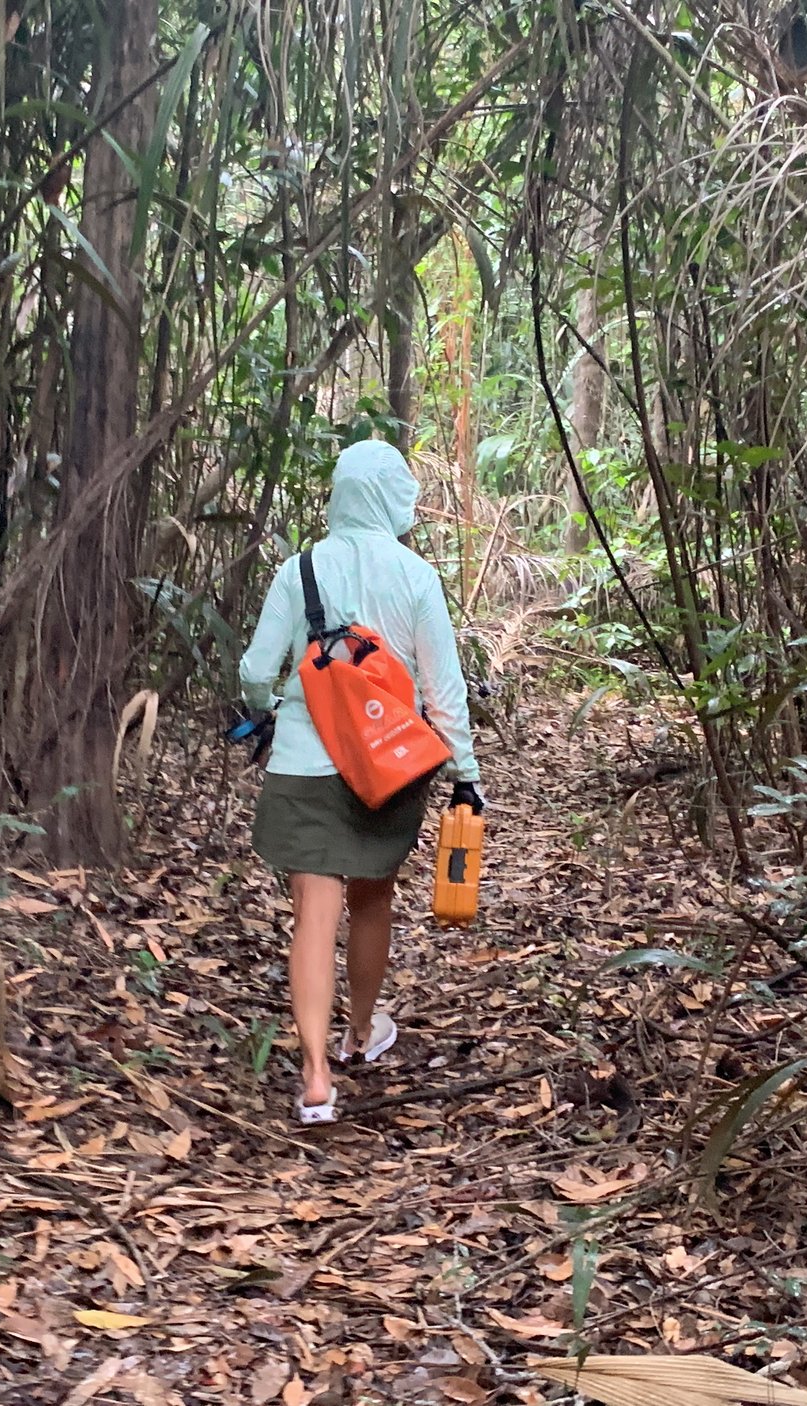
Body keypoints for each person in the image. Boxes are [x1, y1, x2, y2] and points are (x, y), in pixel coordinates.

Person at [238, 438, 483, 1123]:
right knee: (372, 901)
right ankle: (359, 1034)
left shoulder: (298, 570)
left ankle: (315, 1076)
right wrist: (466, 775)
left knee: (313, 915)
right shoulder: (416, 577)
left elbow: (257, 670)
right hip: (390, 765)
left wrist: (264, 714)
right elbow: (445, 691)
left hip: (304, 763)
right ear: (394, 501)